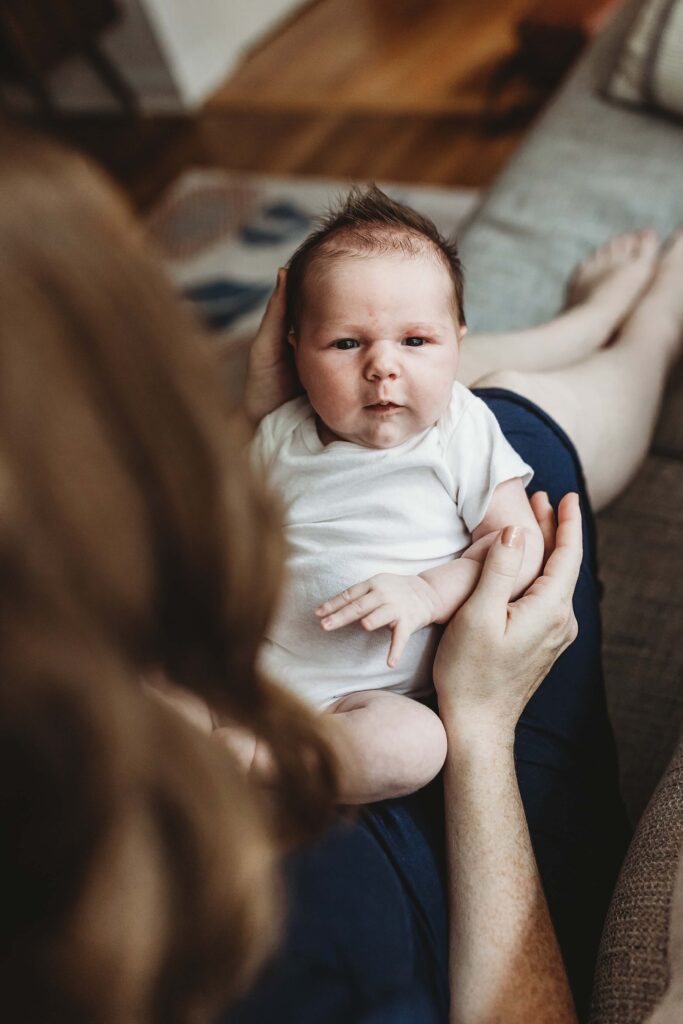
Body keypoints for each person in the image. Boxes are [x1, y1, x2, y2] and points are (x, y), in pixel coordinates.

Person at [1, 125, 678, 1022]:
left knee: (483, 401)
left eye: (417, 337)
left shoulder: (75, 647)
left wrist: (417, 584)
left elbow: (494, 538)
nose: (380, 363)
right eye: (341, 343)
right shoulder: (292, 961)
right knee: (513, 424)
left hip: (313, 680)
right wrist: (476, 717)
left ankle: (607, 326)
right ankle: (635, 330)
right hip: (417, 751)